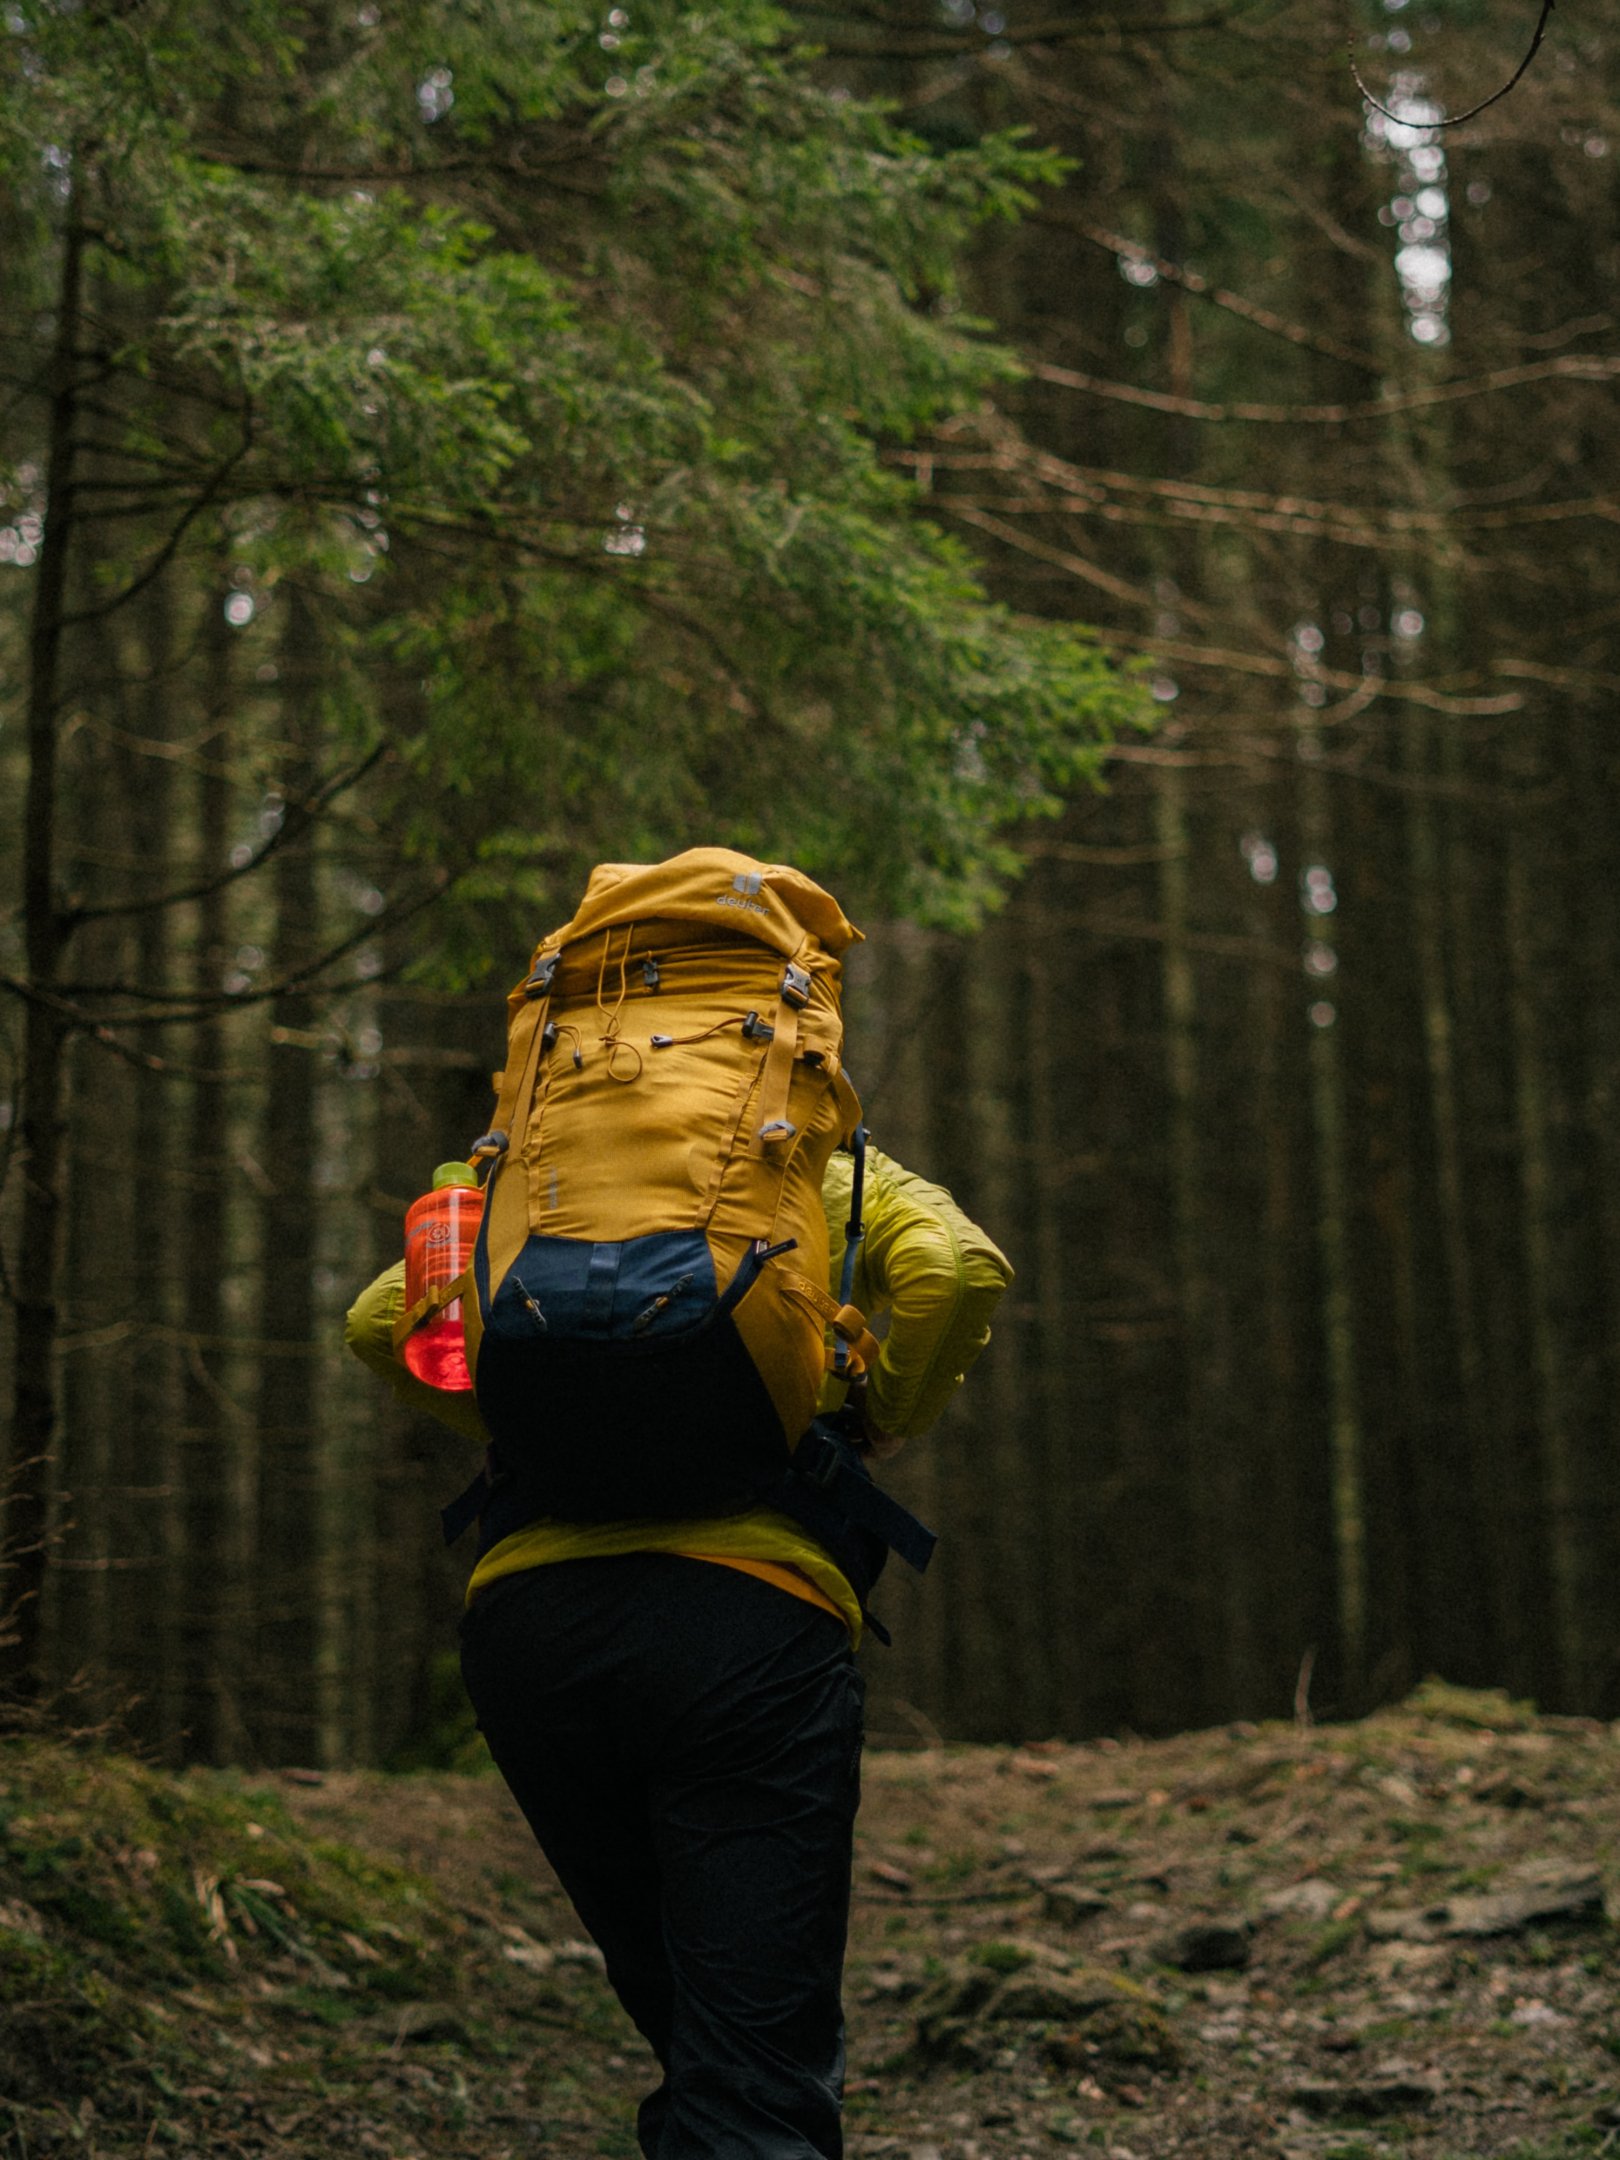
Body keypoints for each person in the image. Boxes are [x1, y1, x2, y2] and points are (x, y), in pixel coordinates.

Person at [346, 1137, 1011, 2160]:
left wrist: (536, 1425)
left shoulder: (521, 1172)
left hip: (534, 1632)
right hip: (747, 1627)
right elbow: (953, 1269)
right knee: (751, 2048)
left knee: (684, 2007)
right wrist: (882, 1414)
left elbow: (379, 1320)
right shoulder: (823, 1166)